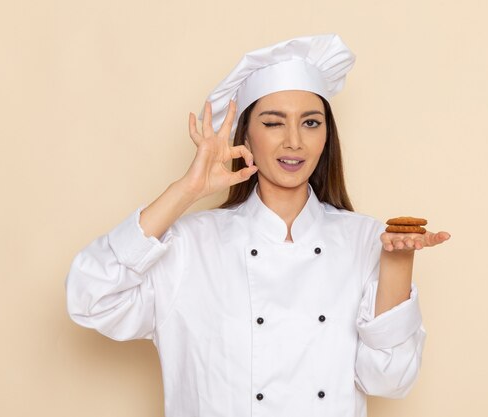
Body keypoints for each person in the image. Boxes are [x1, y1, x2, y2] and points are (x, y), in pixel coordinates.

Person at [66, 34, 450, 417]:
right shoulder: (190, 244)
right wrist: (186, 190)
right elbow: (91, 297)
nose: (294, 141)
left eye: (311, 123)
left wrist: (397, 263)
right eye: (273, 123)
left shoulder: (366, 239)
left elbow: (390, 380)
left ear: (326, 136)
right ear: (246, 133)